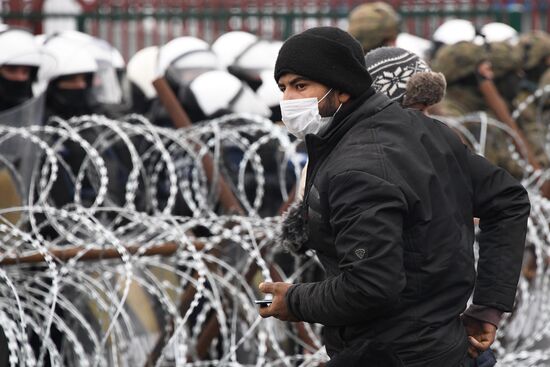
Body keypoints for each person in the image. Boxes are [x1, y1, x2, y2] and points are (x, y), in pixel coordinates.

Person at [258, 27, 530, 367]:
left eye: (301, 86)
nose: (288, 100)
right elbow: (509, 200)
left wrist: (294, 301)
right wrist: (487, 309)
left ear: (341, 88)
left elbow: (369, 286)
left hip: (393, 353)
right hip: (445, 345)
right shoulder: (424, 131)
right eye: (283, 88)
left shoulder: (355, 168)